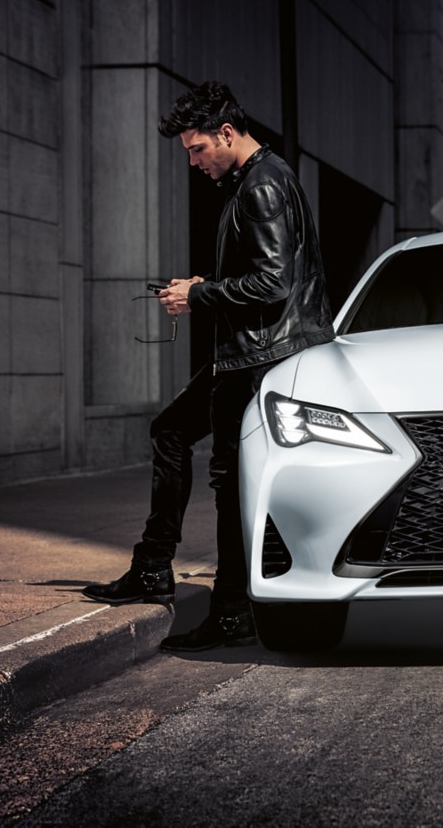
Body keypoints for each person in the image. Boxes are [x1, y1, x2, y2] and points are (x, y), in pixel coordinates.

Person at [82, 82, 335, 651]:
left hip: (260, 356)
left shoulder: (262, 187)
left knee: (228, 479)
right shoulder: (254, 179)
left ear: (226, 134)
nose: (194, 162)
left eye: (198, 150)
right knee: (172, 433)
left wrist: (199, 296)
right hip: (250, 351)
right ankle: (154, 569)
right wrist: (201, 287)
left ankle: (229, 611)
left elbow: (273, 283)